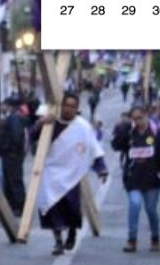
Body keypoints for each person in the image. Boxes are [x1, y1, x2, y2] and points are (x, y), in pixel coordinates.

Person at [35, 93, 108, 255]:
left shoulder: (82, 126)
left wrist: (101, 169)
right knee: (51, 207)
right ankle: (58, 241)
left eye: (72, 106)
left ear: (77, 108)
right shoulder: (50, 123)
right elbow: (33, 137)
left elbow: (93, 148)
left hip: (72, 173)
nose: (68, 109)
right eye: (66, 105)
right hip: (52, 172)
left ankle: (72, 231)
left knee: (72, 208)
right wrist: (40, 124)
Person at [111, 105, 160, 252]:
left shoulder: (156, 132)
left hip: (152, 179)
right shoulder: (130, 133)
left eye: (140, 118)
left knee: (151, 209)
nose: (137, 122)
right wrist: (123, 131)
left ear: (146, 116)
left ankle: (155, 237)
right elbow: (116, 146)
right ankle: (132, 239)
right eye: (134, 119)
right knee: (135, 204)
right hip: (133, 179)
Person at [0, 96, 28, 214]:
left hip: (12, 155)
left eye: (4, 104)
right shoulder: (13, 117)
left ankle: (19, 206)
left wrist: (9, 148)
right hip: (10, 154)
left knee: (14, 181)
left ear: (9, 106)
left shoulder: (14, 118)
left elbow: (16, 135)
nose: (2, 107)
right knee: (9, 180)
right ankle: (13, 206)